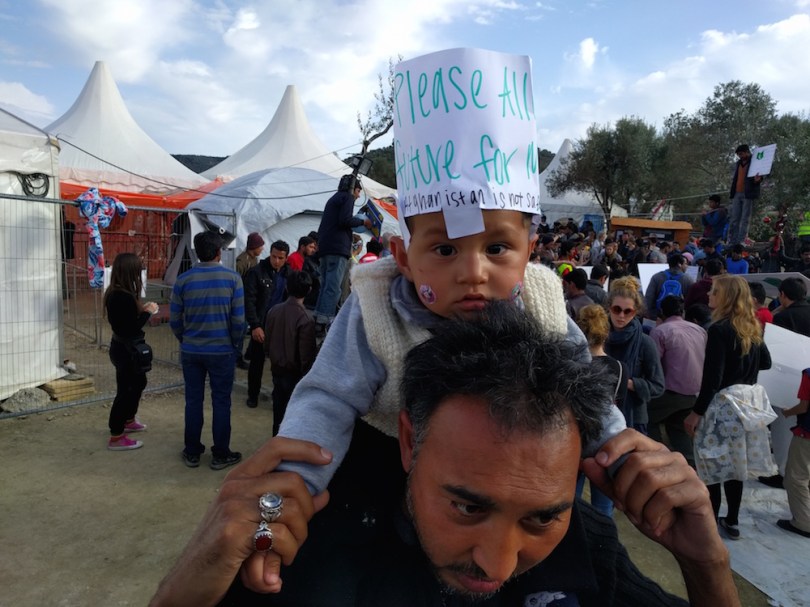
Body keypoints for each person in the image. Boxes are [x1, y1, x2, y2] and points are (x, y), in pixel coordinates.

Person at [151, 303, 740, 606]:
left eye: (541, 516)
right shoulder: (302, 551)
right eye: (465, 507)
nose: (498, 563)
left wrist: (707, 564)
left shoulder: (587, 546)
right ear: (410, 439)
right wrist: (189, 584)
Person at [276, 205, 626, 499]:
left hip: (510, 482)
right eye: (445, 250)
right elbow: (327, 398)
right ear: (404, 258)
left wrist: (620, 453)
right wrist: (296, 482)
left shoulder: (541, 304)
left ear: (529, 251)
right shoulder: (374, 306)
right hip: (391, 474)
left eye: (497, 249)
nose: (473, 274)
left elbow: (584, 389)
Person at [684, 274, 773, 540]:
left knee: (711, 462)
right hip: (746, 405)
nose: (709, 295)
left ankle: (709, 522)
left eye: (714, 291)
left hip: (723, 405)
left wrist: (696, 412)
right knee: (736, 466)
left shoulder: (719, 329)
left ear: (726, 297)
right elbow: (766, 362)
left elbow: (712, 379)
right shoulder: (751, 326)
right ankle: (731, 520)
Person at [170, 231, 246, 471]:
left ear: (196, 252)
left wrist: (186, 339)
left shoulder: (183, 280)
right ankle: (220, 454)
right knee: (221, 402)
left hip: (191, 351)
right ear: (218, 252)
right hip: (222, 351)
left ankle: (192, 452)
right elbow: (238, 321)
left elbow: (174, 320)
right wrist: (234, 345)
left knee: (193, 401)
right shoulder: (233, 279)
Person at [574, 304, 628, 516]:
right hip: (608, 447)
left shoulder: (573, 366)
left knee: (572, 504)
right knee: (604, 507)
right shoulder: (620, 367)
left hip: (578, 445)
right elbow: (618, 407)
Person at [104, 253, 158, 451]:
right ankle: (116, 436)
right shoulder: (120, 296)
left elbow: (125, 322)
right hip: (125, 350)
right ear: (129, 271)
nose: (140, 272)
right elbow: (131, 328)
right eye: (138, 268)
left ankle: (128, 419)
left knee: (138, 383)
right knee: (125, 391)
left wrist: (141, 310)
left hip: (124, 348)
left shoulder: (120, 293)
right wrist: (147, 312)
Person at [648, 295, 707, 466]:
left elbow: (653, 365)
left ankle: (659, 460)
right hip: (695, 394)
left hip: (671, 392)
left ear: (662, 312)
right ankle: (690, 469)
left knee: (645, 418)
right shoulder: (699, 330)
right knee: (678, 429)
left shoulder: (660, 331)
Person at [605, 276, 665, 432]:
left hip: (633, 417)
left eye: (628, 311)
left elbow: (658, 386)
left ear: (636, 312)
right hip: (600, 413)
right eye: (616, 309)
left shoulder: (645, 342)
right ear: (609, 307)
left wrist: (628, 383)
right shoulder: (598, 336)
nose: (621, 315)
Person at [312, 176, 371, 333]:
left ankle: (318, 316)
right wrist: (363, 222)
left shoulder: (335, 198)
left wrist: (358, 215)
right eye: (358, 191)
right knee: (333, 287)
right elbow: (344, 221)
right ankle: (325, 320)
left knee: (325, 285)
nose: (358, 195)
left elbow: (342, 219)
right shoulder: (347, 197)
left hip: (325, 246)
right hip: (337, 249)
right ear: (353, 189)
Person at [263, 271, 316, 437]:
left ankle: (275, 444)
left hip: (277, 369)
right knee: (293, 417)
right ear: (309, 290)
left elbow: (267, 342)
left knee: (278, 415)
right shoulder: (306, 318)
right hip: (295, 375)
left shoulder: (274, 311)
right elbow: (305, 356)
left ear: (286, 287)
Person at [243, 241, 290, 409]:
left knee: (279, 366)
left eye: (280, 258)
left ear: (286, 258)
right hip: (261, 325)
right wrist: (255, 325)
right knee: (256, 363)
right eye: (274, 256)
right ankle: (252, 395)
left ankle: (278, 396)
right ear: (269, 254)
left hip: (279, 327)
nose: (276, 261)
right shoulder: (256, 273)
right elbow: (249, 300)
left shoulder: (289, 274)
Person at [776, 368, 810, 539]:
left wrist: (787, 412)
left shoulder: (809, 374)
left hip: (807, 436)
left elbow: (804, 406)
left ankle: (804, 523)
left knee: (796, 477)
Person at [727, 144, 764, 246]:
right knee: (734, 218)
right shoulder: (738, 163)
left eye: (741, 154)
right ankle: (732, 240)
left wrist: (758, 180)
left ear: (747, 152)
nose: (740, 156)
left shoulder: (755, 162)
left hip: (748, 193)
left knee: (745, 218)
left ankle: (741, 241)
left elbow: (761, 174)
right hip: (737, 193)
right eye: (739, 155)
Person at [644, 253, 694, 320]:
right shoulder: (688, 279)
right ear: (679, 264)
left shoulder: (657, 277)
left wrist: (648, 313)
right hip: (678, 317)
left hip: (658, 315)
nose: (687, 266)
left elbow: (649, 297)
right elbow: (690, 301)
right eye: (685, 264)